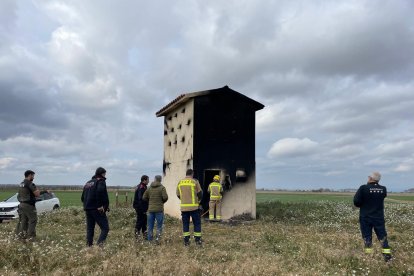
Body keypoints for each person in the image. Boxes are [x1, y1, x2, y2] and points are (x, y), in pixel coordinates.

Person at [353, 171, 392, 262]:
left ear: (370, 178)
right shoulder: (383, 189)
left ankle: (368, 256)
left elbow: (356, 202)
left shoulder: (363, 188)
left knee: (367, 237)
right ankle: (387, 257)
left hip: (365, 217)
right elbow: (382, 196)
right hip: (379, 217)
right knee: (382, 236)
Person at [81, 167, 110, 247]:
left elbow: (82, 197)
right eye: (105, 174)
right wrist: (102, 206)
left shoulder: (88, 183)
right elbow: (100, 192)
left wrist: (87, 205)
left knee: (90, 229)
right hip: (97, 209)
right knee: (105, 228)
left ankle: (89, 247)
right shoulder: (101, 181)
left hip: (87, 209)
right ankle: (99, 247)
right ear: (102, 174)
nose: (105, 175)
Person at [176, 169, 203, 246]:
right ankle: (198, 241)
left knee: (185, 224)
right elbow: (200, 193)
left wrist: (184, 200)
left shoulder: (180, 182)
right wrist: (198, 201)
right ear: (192, 174)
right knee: (197, 224)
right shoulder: (195, 181)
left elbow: (178, 194)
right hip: (194, 208)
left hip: (184, 208)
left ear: (186, 174)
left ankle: (186, 241)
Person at [15, 170, 40, 240]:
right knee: (33, 220)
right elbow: (37, 194)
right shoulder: (30, 183)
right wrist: (38, 191)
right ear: (30, 175)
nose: (33, 177)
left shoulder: (21, 184)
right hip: (29, 205)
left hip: (21, 205)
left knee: (23, 221)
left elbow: (18, 195)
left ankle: (21, 237)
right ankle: (31, 237)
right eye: (33, 176)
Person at [142, 175, 168, 243]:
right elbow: (165, 197)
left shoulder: (149, 188)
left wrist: (150, 201)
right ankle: (157, 240)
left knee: (150, 226)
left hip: (150, 210)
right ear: (160, 180)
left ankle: (150, 240)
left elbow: (144, 197)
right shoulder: (162, 188)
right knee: (159, 226)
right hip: (159, 210)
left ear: (154, 179)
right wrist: (162, 202)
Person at [133, 175, 149, 239]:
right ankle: (137, 236)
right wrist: (142, 209)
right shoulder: (141, 187)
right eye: (148, 180)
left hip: (141, 207)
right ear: (144, 180)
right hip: (140, 208)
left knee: (144, 221)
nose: (148, 181)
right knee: (140, 222)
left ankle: (145, 236)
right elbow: (140, 199)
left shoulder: (142, 186)